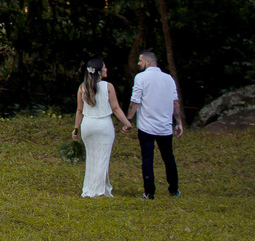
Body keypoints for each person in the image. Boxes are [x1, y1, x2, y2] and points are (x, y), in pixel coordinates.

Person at [71, 58, 133, 198]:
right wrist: (127, 123)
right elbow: (115, 108)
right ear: (98, 72)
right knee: (102, 158)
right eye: (104, 68)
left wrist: (76, 128)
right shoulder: (108, 86)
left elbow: (79, 111)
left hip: (88, 125)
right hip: (104, 125)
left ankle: (91, 187)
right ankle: (98, 190)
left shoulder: (82, 87)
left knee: (91, 157)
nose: (106, 70)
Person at [127, 49, 184, 199]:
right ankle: (174, 188)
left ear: (148, 62)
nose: (138, 63)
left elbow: (135, 101)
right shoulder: (168, 79)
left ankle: (149, 192)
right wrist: (179, 123)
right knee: (168, 157)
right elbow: (175, 102)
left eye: (140, 60)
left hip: (146, 126)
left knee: (147, 158)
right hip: (165, 126)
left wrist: (128, 120)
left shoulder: (141, 78)